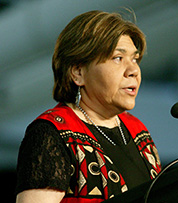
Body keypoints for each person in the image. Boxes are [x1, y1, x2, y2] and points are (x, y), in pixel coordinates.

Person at [15, 10, 161, 202]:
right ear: (78, 72)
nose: (134, 70)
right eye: (118, 58)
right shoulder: (51, 133)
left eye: (134, 59)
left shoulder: (137, 130)